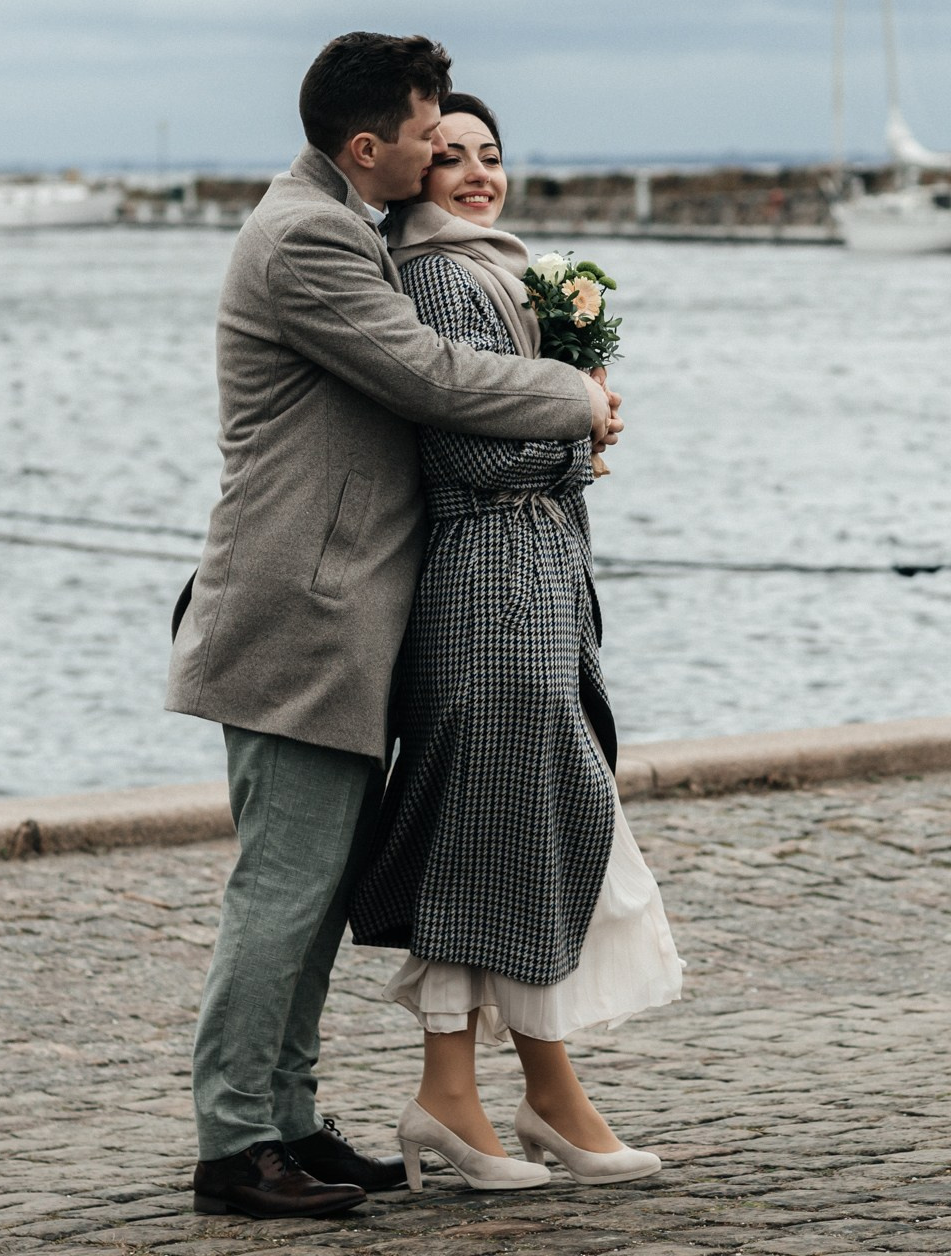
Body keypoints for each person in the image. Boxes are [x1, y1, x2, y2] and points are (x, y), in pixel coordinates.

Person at [168, 37, 622, 1221]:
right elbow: (426, 372)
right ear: (368, 146)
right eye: (428, 131)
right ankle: (233, 1146)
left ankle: (290, 1122)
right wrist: (576, 395)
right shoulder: (308, 237)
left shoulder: (337, 222)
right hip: (295, 618)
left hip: (338, 619)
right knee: (283, 888)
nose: (443, 150)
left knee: (315, 890)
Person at [347, 93, 682, 1192]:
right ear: (411, 175)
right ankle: (493, 1094)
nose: (477, 174)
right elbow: (476, 461)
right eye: (448, 158)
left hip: (524, 579)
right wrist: (582, 428)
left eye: (491, 155)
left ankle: (524, 1091)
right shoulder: (442, 274)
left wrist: (573, 414)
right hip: (491, 582)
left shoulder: (491, 263)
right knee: (499, 828)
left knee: (507, 829)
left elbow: (516, 430)